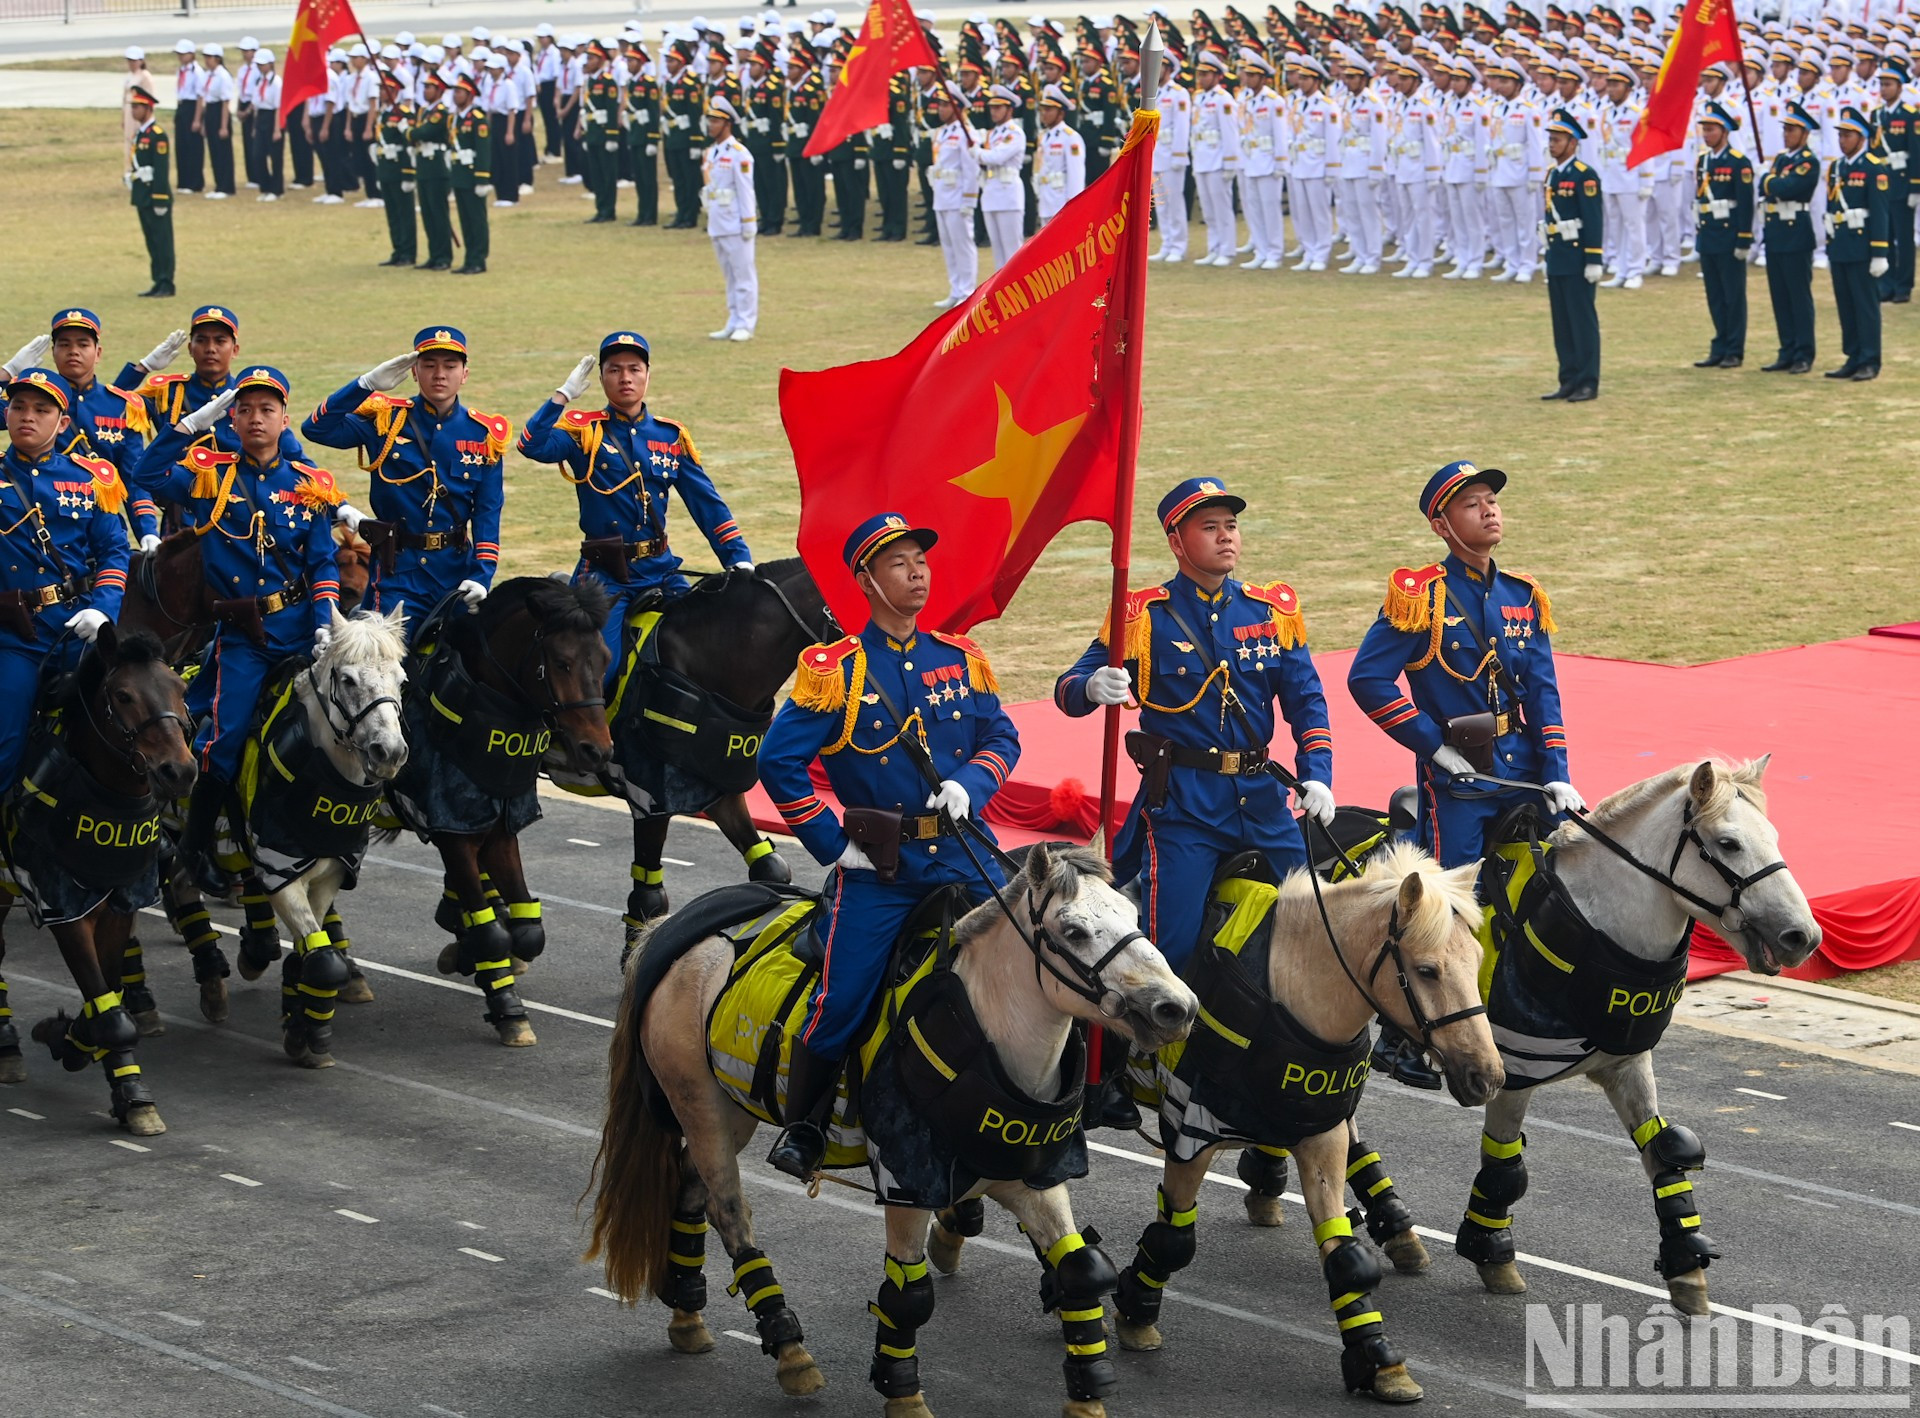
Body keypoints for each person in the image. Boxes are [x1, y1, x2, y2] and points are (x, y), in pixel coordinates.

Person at [759, 514, 1018, 1179]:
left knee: (1045, 944)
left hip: (964, 851)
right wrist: (830, 843)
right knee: (842, 999)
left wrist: (970, 783)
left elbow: (1002, 737)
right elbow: (777, 763)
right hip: (883, 870)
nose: (917, 573)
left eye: (921, 561)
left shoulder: (958, 657)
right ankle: (805, 1126)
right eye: (899, 564)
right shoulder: (836, 671)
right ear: (867, 581)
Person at [1346, 461, 1578, 1087]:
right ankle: (1400, 1040)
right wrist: (1431, 747)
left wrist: (1558, 772)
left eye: (1491, 500)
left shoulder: (1523, 596)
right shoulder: (1419, 596)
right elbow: (1367, 680)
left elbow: (1544, 694)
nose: (1489, 510)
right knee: (1444, 912)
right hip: (1460, 780)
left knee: (1565, 882)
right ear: (1442, 525)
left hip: (1525, 770)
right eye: (1472, 504)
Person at [1055, 476, 1334, 977]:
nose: (1226, 536)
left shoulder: (1270, 611)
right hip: (1186, 809)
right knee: (1171, 950)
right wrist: (1091, 686)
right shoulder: (1144, 617)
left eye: (1231, 525)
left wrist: (1318, 774)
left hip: (1264, 802)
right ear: (1177, 542)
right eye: (1209, 527)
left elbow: (1307, 701)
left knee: (1317, 922)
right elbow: (1067, 689)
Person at [133, 365, 342, 894]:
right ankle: (195, 847)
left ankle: (341, 836)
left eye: (267, 409)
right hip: (245, 638)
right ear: (232, 419)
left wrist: (324, 622)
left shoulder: (310, 485)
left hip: (302, 627)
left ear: (284, 419)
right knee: (223, 740)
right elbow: (146, 475)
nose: (255, 419)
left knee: (353, 719)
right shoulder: (211, 476)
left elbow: (322, 562)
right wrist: (187, 427)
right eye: (244, 409)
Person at [516, 332, 753, 672]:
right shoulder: (584, 433)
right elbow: (531, 445)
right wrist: (561, 397)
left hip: (662, 570)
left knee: (706, 653)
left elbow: (708, 505)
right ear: (601, 379)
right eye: (614, 370)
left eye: (634, 369)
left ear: (647, 375)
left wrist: (738, 558)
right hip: (606, 575)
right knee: (602, 671)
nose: (625, 378)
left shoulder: (670, 437)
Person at [301, 327, 504, 638]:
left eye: (450, 366)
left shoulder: (482, 435)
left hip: (456, 573)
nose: (439, 374)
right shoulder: (386, 420)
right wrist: (365, 385)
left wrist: (482, 575)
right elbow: (317, 428)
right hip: (397, 574)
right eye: (429, 365)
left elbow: (488, 513)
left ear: (464, 374)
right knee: (385, 660)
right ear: (414, 372)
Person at [0, 368, 130, 787]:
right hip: (13, 637)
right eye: (18, 406)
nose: (27, 416)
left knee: (142, 714)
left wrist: (103, 609)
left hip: (78, 630)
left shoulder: (89, 479)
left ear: (62, 422)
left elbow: (114, 550)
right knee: (6, 736)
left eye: (41, 409)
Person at [1, 312, 158, 541]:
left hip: (100, 526)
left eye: (83, 344)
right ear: (53, 352)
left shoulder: (122, 406)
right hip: (39, 526)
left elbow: (133, 477)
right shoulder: (28, 402)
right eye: (64, 344)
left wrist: (147, 532)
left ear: (98, 353)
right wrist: (5, 374)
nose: (73, 351)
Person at [1540, 108, 1603, 402]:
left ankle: (1587, 381)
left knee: (1582, 322)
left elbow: (1593, 219)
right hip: (1558, 256)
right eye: (1551, 139)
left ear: (1573, 142)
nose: (1552, 145)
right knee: (1562, 323)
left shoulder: (1584, 175)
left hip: (1578, 258)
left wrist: (1594, 259)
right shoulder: (1552, 174)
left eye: (1558, 140)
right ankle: (1568, 378)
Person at [1823, 105, 1890, 381]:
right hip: (1841, 245)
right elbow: (1831, 207)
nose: (1842, 140)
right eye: (1840, 135)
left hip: (1862, 247)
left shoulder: (1874, 167)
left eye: (1848, 135)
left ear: (1862, 137)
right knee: (1846, 305)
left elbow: (1880, 212)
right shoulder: (1836, 167)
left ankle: (1870, 359)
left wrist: (1880, 253)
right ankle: (1853, 356)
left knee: (1865, 306)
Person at [1759, 102, 1820, 374]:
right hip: (1776, 232)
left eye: (1792, 130)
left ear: (1804, 133)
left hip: (1796, 233)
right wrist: (1770, 182)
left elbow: (1789, 187)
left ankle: (1803, 353)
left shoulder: (1808, 162)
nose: (1786, 134)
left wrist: (1768, 181)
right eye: (1785, 129)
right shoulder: (1782, 159)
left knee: (1798, 297)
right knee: (1780, 297)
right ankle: (1787, 349)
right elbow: (1769, 189)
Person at [1692, 101, 1753, 370]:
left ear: (1725, 131)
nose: (1706, 134)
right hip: (1709, 234)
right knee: (1715, 296)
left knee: (1733, 296)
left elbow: (1746, 204)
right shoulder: (1703, 161)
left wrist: (1744, 238)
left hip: (1729, 236)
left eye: (1711, 129)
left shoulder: (1738, 162)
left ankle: (1734, 349)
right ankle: (1719, 344)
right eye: (1704, 129)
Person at [700, 97, 760, 342]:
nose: (710, 125)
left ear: (727, 124)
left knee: (743, 276)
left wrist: (749, 222)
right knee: (729, 277)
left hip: (736, 223)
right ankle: (733, 320)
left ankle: (746, 322)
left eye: (716, 121)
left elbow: (746, 191)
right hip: (717, 221)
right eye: (710, 121)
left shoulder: (739, 154)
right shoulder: (712, 152)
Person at [929, 83, 982, 308]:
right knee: (948, 246)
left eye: (945, 105)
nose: (940, 109)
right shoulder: (942, 132)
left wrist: (969, 200)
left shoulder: (966, 133)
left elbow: (971, 169)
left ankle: (968, 292)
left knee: (962, 245)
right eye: (940, 105)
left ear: (957, 107)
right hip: (942, 194)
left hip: (958, 196)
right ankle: (955, 289)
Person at [1188, 51, 1242, 266]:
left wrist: (1230, 163)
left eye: (1206, 74)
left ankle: (1227, 250)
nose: (1201, 78)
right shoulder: (1199, 98)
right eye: (1199, 74)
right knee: (1208, 210)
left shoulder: (1224, 99)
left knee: (1222, 208)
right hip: (1202, 158)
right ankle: (1214, 247)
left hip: (1218, 160)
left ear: (1217, 76)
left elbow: (1230, 133)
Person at [125, 84, 176, 300]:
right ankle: (157, 280)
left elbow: (161, 170)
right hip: (142, 196)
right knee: (151, 241)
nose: (133, 110)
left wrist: (160, 199)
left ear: (148, 108)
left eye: (137, 107)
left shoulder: (157, 135)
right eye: (133, 106)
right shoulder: (141, 134)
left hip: (155, 196)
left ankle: (166, 282)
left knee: (162, 241)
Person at [978, 84, 1029, 268]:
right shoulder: (992, 134)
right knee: (998, 252)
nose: (994, 111)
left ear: (1009, 109)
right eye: (992, 107)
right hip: (991, 192)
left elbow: (997, 157)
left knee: (1012, 252)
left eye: (998, 107)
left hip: (1008, 194)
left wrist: (977, 153)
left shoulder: (1014, 133)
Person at [411, 71, 456, 271]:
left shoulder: (440, 112)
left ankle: (444, 256)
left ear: (439, 91)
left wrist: (410, 132)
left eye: (429, 88)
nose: (425, 91)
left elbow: (425, 131)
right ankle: (434, 254)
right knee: (428, 213)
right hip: (423, 165)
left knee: (438, 213)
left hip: (437, 166)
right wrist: (412, 133)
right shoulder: (423, 111)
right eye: (425, 87)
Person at [449, 75, 493, 275]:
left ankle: (479, 259)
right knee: (465, 220)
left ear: (470, 95)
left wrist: (482, 178)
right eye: (455, 92)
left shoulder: (477, 118)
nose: (455, 95)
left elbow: (483, 150)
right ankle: (469, 258)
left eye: (459, 92)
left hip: (472, 176)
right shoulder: (456, 119)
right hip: (459, 175)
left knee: (476, 219)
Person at [375, 69, 418, 266]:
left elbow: (409, 147)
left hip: (400, 169)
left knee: (404, 213)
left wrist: (409, 175)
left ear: (394, 92)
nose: (381, 93)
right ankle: (398, 249)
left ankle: (408, 252)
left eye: (384, 90)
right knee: (392, 213)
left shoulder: (403, 114)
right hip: (386, 168)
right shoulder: (383, 114)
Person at [1033, 85, 1087, 225]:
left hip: (1061, 202)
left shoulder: (1070, 137)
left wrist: (1074, 204)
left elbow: (1076, 174)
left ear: (1061, 113)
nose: (1044, 113)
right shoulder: (1045, 137)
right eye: (1042, 109)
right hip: (1046, 201)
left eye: (1049, 110)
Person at [251, 51, 284, 203]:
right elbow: (256, 105)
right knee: (258, 155)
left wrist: (277, 129)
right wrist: (255, 126)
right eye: (258, 64)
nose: (260, 67)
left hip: (272, 118)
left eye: (262, 64)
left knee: (275, 156)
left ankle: (276, 189)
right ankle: (265, 186)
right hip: (261, 117)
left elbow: (278, 107)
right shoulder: (259, 81)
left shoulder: (276, 82)